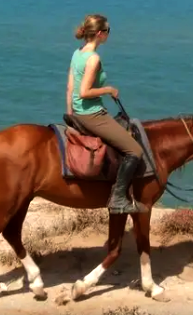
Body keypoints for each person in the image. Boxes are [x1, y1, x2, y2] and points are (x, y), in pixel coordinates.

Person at [66, 14, 146, 214]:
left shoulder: (78, 53)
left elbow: (70, 88)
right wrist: (108, 90)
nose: (109, 35)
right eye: (108, 31)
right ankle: (118, 198)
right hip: (92, 114)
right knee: (135, 151)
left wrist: (71, 115)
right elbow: (84, 92)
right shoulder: (93, 59)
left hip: (78, 112)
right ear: (100, 34)